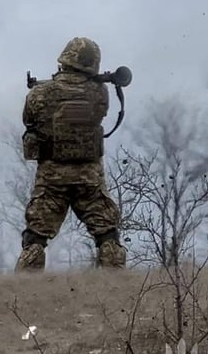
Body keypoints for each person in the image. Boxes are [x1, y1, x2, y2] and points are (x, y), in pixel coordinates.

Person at [15, 37, 126, 272]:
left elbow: (29, 122)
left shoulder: (39, 94)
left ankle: (23, 292)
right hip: (89, 177)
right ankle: (117, 287)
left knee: (35, 237)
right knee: (107, 233)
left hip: (51, 178)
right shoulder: (100, 93)